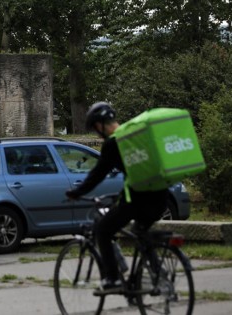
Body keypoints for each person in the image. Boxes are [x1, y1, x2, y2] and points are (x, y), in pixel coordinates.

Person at [65, 102, 168, 293]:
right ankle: (158, 274)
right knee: (140, 231)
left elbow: (98, 174)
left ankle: (112, 279)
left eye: (96, 129)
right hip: (162, 196)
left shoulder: (113, 143)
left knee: (103, 230)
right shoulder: (135, 137)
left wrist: (76, 192)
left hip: (137, 200)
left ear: (99, 125)